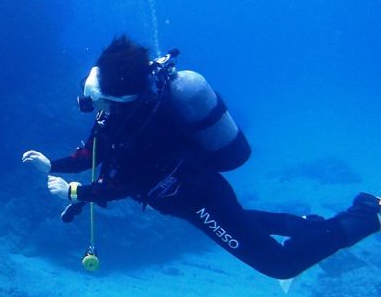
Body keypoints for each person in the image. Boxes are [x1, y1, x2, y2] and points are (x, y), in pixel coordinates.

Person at [22, 34, 381, 280]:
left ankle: (367, 216)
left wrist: (72, 193)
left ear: (116, 98)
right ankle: (309, 225)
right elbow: (93, 152)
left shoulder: (141, 133)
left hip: (198, 199)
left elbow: (120, 185)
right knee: (243, 220)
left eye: (96, 96)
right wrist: (52, 164)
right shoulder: (120, 115)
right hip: (191, 195)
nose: (89, 104)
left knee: (280, 265)